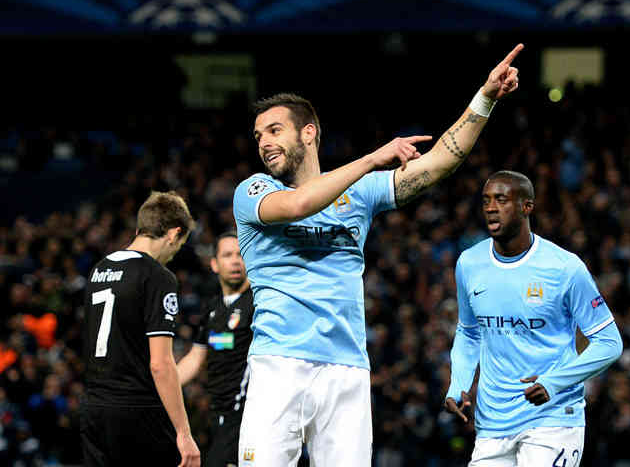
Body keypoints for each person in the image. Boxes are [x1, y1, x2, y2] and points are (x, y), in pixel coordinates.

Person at [233, 44, 523, 466]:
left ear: (309, 132)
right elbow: (298, 206)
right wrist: (371, 159)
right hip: (278, 365)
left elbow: (440, 162)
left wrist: (486, 98)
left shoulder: (360, 193)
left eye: (274, 130)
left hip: (347, 369)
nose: (264, 142)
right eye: (258, 135)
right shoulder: (254, 192)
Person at [444, 171, 623, 466]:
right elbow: (469, 332)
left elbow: (609, 342)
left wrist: (554, 381)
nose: (490, 207)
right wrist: (459, 383)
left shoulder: (564, 268)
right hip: (492, 422)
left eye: (501, 199)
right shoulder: (469, 263)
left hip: (553, 418)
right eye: (486, 200)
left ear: (527, 207)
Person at [81, 191, 200, 467]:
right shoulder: (157, 277)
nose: (173, 253)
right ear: (173, 234)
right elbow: (160, 364)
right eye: (179, 245)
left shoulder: (99, 270)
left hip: (94, 408)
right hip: (137, 411)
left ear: (139, 230)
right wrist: (183, 432)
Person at [178, 232, 254, 467]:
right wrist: (160, 385)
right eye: (227, 255)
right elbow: (195, 358)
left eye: (241, 255)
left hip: (247, 413)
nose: (235, 260)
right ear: (214, 264)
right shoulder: (212, 310)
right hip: (216, 413)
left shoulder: (259, 303)